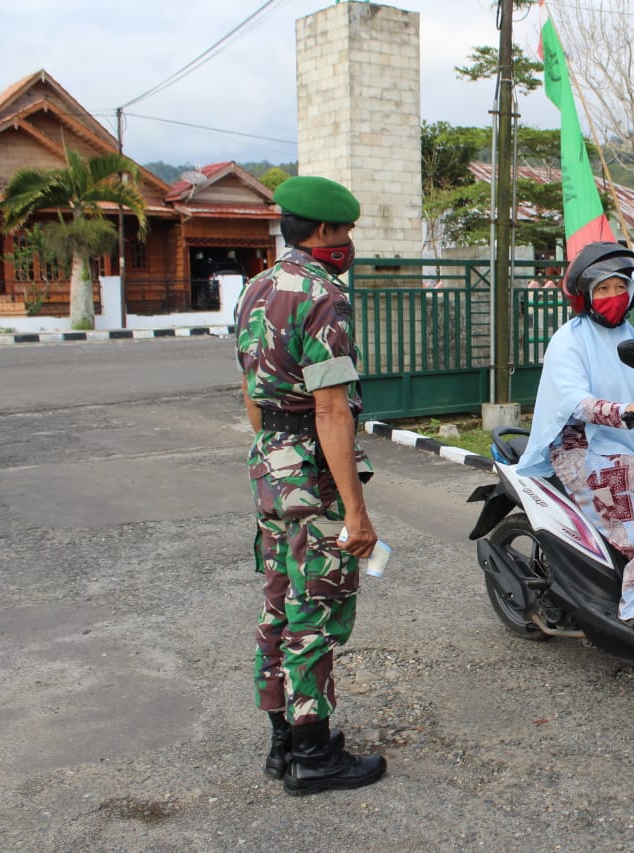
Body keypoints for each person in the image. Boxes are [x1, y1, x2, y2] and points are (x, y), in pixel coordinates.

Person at [235, 175, 387, 796]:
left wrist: (274, 453)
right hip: (310, 471)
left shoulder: (255, 287)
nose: (348, 241)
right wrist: (356, 510)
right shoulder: (323, 296)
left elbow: (249, 394)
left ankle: (282, 741)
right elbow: (330, 410)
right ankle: (313, 754)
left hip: (269, 465)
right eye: (346, 231)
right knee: (316, 612)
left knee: (278, 601)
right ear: (324, 230)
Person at [517, 242, 634, 637]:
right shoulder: (569, 340)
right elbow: (573, 400)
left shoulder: (632, 336)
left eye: (619, 287)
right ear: (586, 296)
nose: (613, 297)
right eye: (602, 289)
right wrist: (622, 410)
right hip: (583, 449)